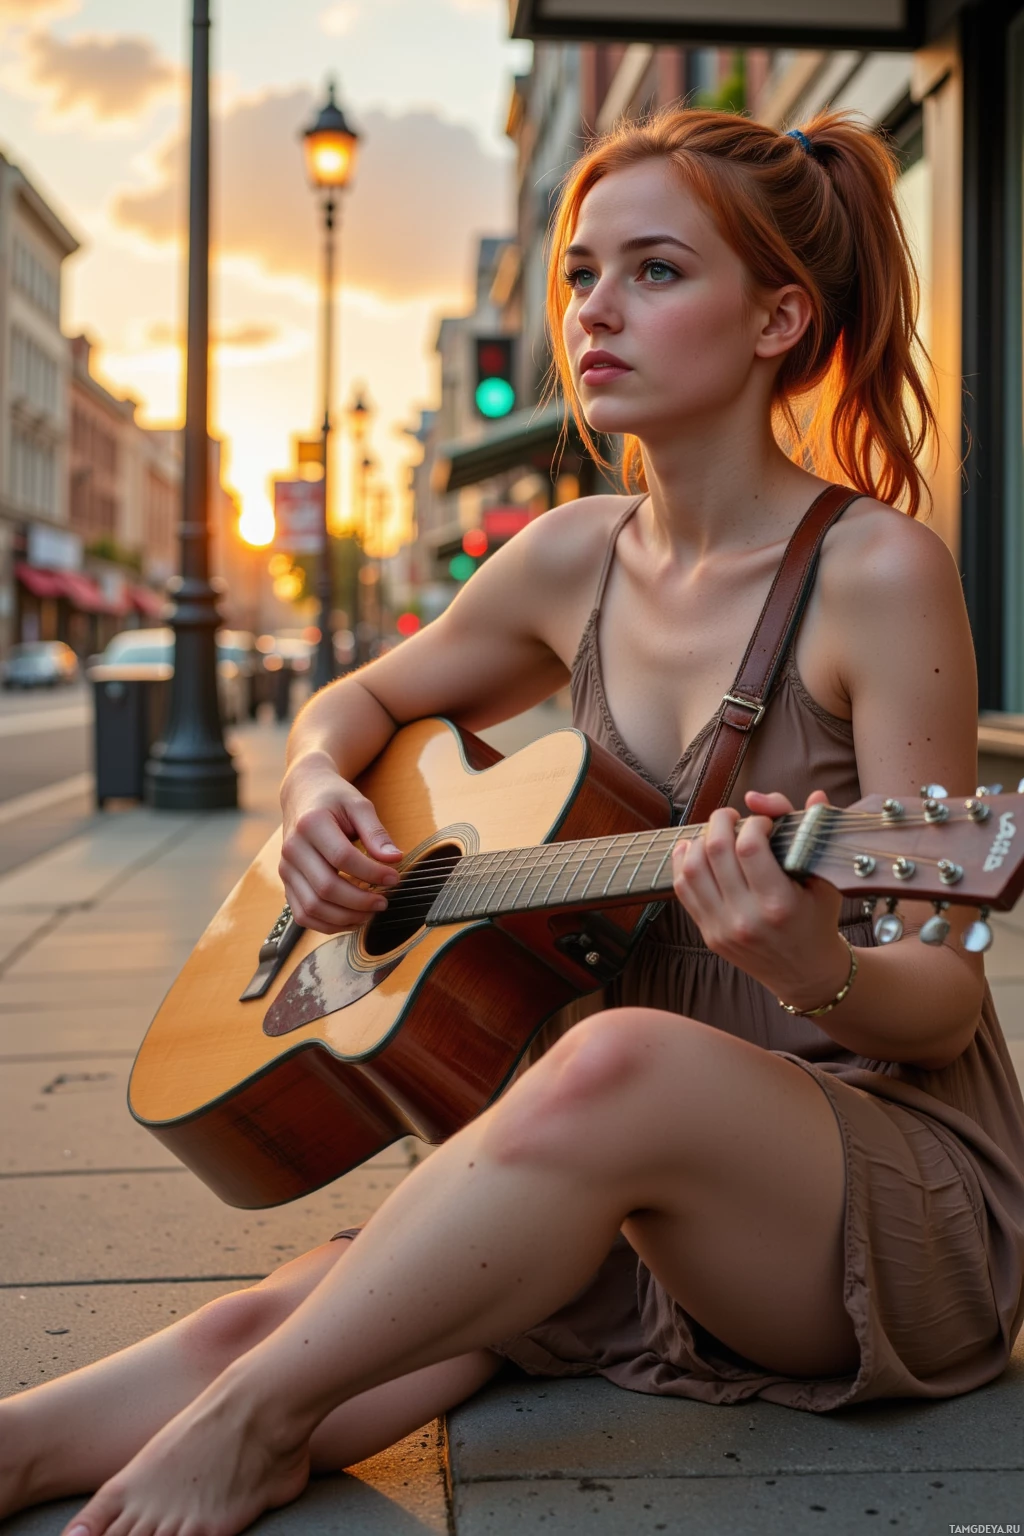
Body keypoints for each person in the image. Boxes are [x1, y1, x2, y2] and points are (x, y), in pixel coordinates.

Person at [3, 105, 1023, 1536]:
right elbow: (348, 706)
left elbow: (937, 1004)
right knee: (300, 1311)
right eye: (583, 272)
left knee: (605, 1069)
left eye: (657, 271)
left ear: (780, 317)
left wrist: (816, 968)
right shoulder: (565, 561)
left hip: (865, 1195)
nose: (596, 308)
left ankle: (249, 1433)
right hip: (616, 1191)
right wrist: (312, 794)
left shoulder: (875, 573)